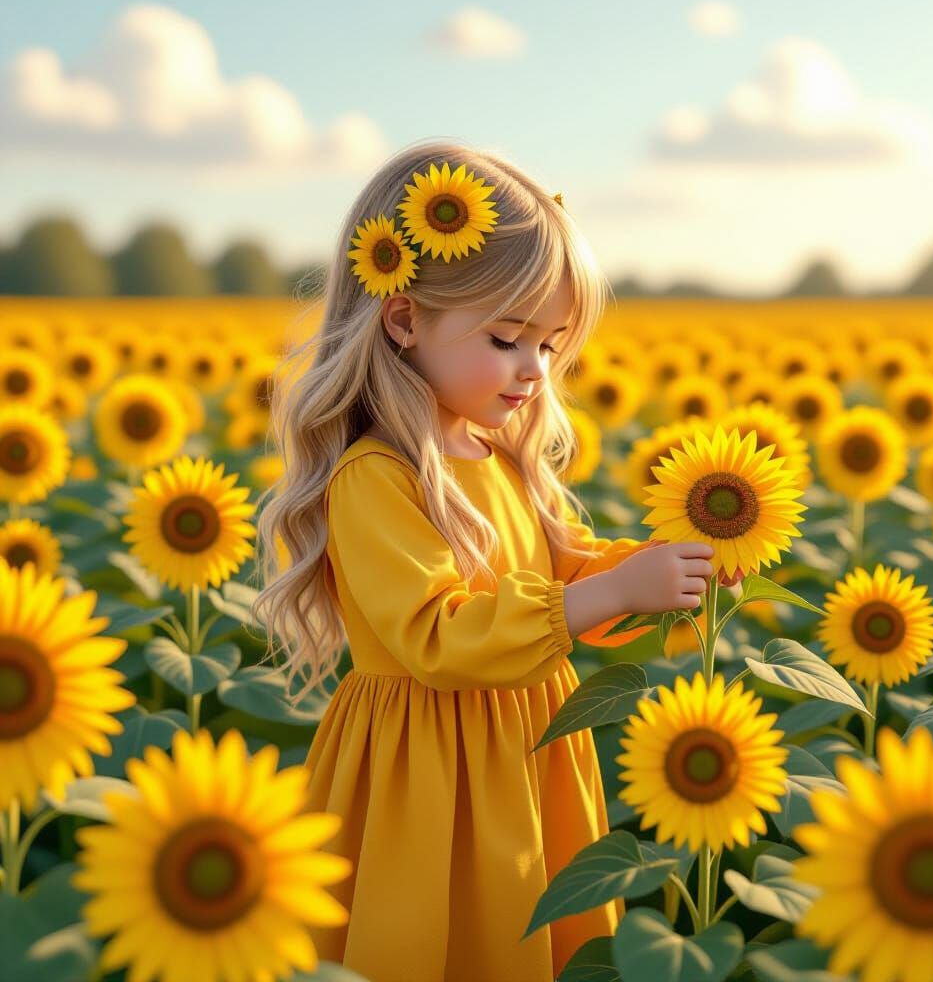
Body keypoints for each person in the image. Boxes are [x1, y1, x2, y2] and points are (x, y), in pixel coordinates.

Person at [253, 140, 731, 982]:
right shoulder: (377, 476)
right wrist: (611, 590)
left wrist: (652, 572)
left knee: (531, 934)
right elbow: (438, 638)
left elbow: (557, 571)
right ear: (403, 320)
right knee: (434, 937)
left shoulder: (496, 453)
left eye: (551, 346)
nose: (533, 371)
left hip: (525, 750)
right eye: (509, 338)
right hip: (422, 775)